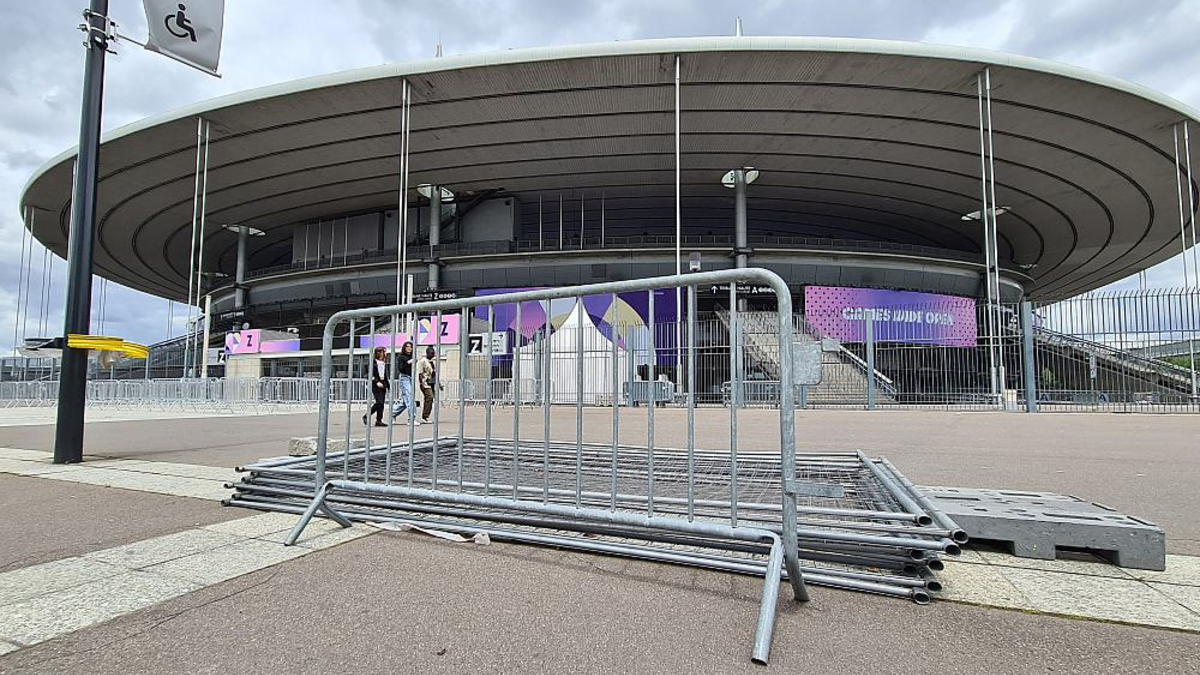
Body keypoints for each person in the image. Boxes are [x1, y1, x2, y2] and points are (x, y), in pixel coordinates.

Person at [389, 341, 420, 425]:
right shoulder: (401, 357)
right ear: (404, 347)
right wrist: (408, 363)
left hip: (411, 378)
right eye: (407, 346)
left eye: (411, 346)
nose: (409, 348)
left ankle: (392, 414)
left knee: (405, 401)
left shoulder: (412, 356)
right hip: (404, 378)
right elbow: (400, 368)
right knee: (410, 398)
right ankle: (411, 419)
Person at [362, 347, 388, 427]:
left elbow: (384, 374)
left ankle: (379, 420)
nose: (385, 354)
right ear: (379, 353)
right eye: (384, 352)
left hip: (383, 382)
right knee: (379, 402)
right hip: (375, 384)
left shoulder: (383, 362)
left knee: (382, 403)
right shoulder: (372, 363)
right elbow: (371, 374)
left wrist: (387, 384)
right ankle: (366, 415)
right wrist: (376, 382)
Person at [416, 346, 443, 423]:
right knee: (429, 397)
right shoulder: (423, 361)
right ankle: (425, 416)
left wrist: (439, 384)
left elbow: (435, 374)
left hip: (432, 382)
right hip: (425, 382)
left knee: (430, 399)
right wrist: (421, 383)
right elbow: (420, 373)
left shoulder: (433, 362)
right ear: (427, 353)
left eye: (433, 353)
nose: (433, 355)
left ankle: (426, 416)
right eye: (431, 353)